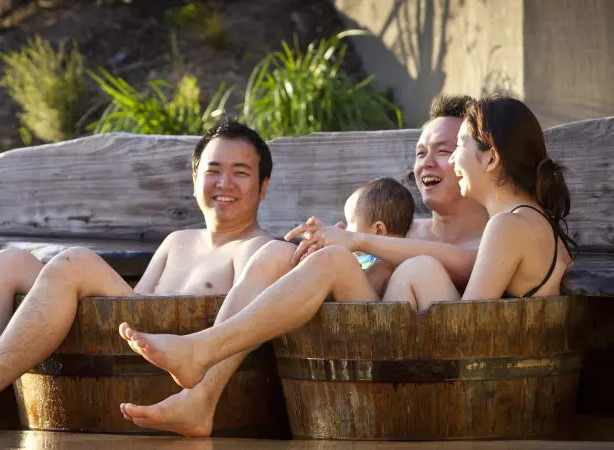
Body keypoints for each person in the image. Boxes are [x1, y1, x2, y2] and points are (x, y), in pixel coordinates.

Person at [118, 96, 575, 408]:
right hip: (415, 357)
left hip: (441, 380)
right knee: (290, 255)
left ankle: (202, 350)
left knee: (410, 266)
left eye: (455, 149)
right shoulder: (521, 223)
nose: (450, 161)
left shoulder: (508, 226)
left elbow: (470, 327)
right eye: (427, 151)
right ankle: (202, 390)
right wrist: (346, 245)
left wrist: (361, 244)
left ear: (490, 158)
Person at [0, 120, 284, 435]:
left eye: (240, 173)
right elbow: (133, 308)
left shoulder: (259, 250)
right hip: (134, 344)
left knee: (75, 262)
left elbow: (234, 322)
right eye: (213, 170)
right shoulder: (177, 241)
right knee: (7, 262)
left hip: (177, 372)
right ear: (194, 179)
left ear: (263, 187)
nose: (224, 183)